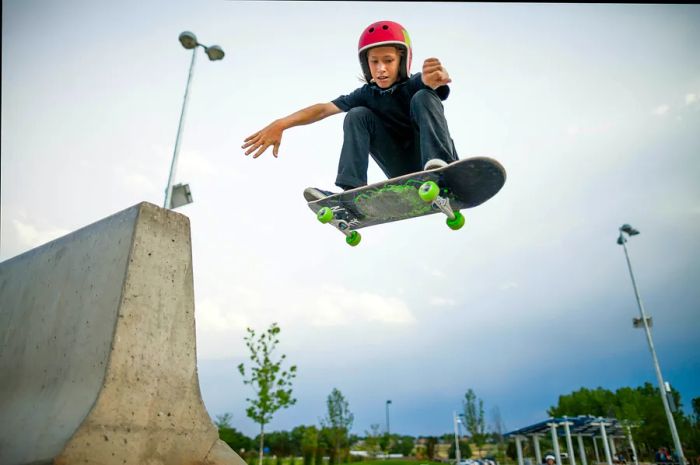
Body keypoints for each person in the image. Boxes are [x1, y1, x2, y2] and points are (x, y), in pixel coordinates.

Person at [241, 20, 460, 201]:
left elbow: (429, 83)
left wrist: (434, 80)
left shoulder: (414, 84)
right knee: (357, 114)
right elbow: (322, 110)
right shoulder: (365, 94)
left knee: (423, 95)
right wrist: (281, 124)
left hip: (433, 160)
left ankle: (441, 169)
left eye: (388, 61)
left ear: (403, 61)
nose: (381, 68)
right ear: (366, 65)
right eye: (374, 62)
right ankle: (352, 194)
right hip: (403, 170)